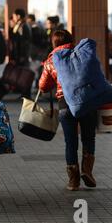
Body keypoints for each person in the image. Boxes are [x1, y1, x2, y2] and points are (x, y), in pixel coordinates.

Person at [39, 30, 97, 191]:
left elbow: (43, 86)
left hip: (65, 104)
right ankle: (87, 171)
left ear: (54, 43)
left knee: (70, 142)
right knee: (89, 138)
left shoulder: (51, 60)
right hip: (87, 101)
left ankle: (73, 181)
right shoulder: (81, 54)